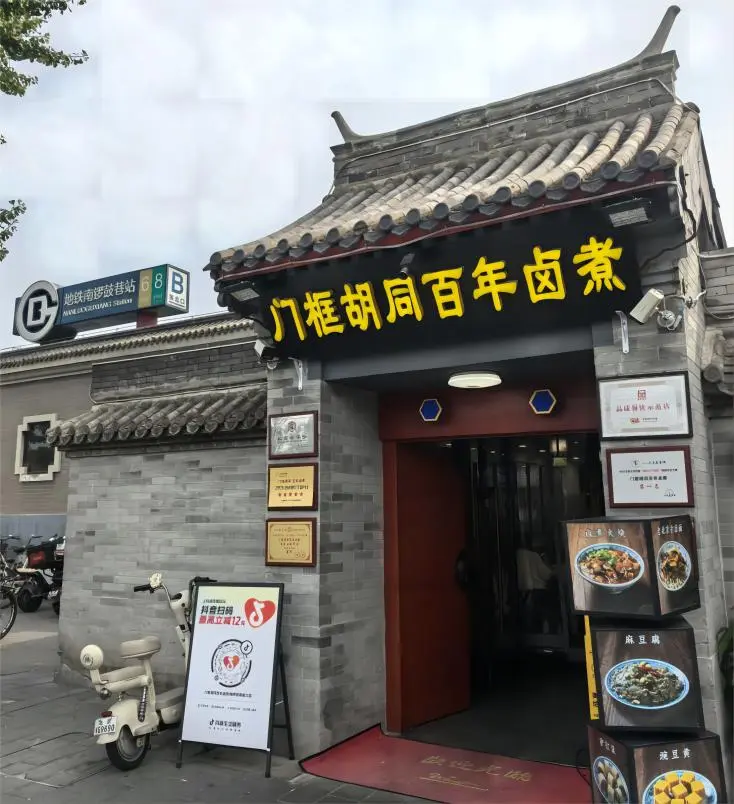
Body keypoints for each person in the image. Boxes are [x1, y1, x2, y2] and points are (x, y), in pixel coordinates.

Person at [516, 546, 557, 634]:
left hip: (523, 594)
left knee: (530, 622)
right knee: (545, 616)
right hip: (538, 591)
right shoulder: (533, 555)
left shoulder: (514, 556)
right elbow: (546, 574)